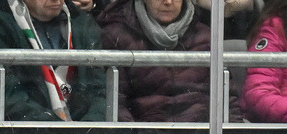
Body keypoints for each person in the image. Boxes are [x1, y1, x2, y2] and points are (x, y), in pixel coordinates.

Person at [97, 0, 243, 121]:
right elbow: (116, 105)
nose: (168, 2)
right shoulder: (116, 36)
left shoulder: (206, 37)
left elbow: (227, 102)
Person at [0, 0, 107, 121]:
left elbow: (101, 91)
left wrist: (90, 131)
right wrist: (59, 133)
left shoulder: (82, 23)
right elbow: (5, 100)